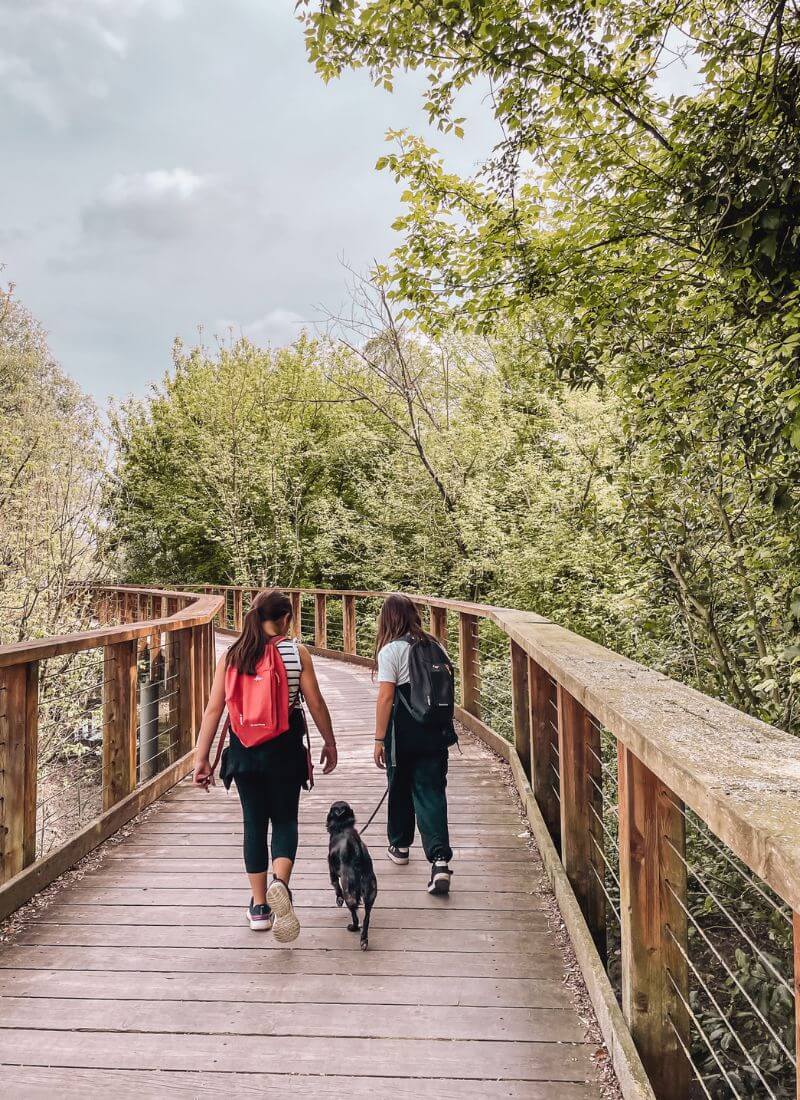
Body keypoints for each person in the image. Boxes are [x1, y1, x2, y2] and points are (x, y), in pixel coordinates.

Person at [193, 590, 338, 941]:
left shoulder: (233, 654)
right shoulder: (296, 653)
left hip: (244, 750)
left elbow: (214, 709)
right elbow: (315, 702)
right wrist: (330, 742)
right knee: (285, 819)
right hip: (285, 750)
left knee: (254, 824)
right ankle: (280, 884)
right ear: (285, 618)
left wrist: (202, 757)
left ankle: (259, 906)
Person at [372, 593, 455, 894]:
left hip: (403, 732)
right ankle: (440, 861)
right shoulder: (436, 646)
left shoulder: (391, 651)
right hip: (435, 730)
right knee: (431, 791)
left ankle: (400, 846)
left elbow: (386, 697)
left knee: (399, 784)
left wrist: (379, 739)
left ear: (388, 619)